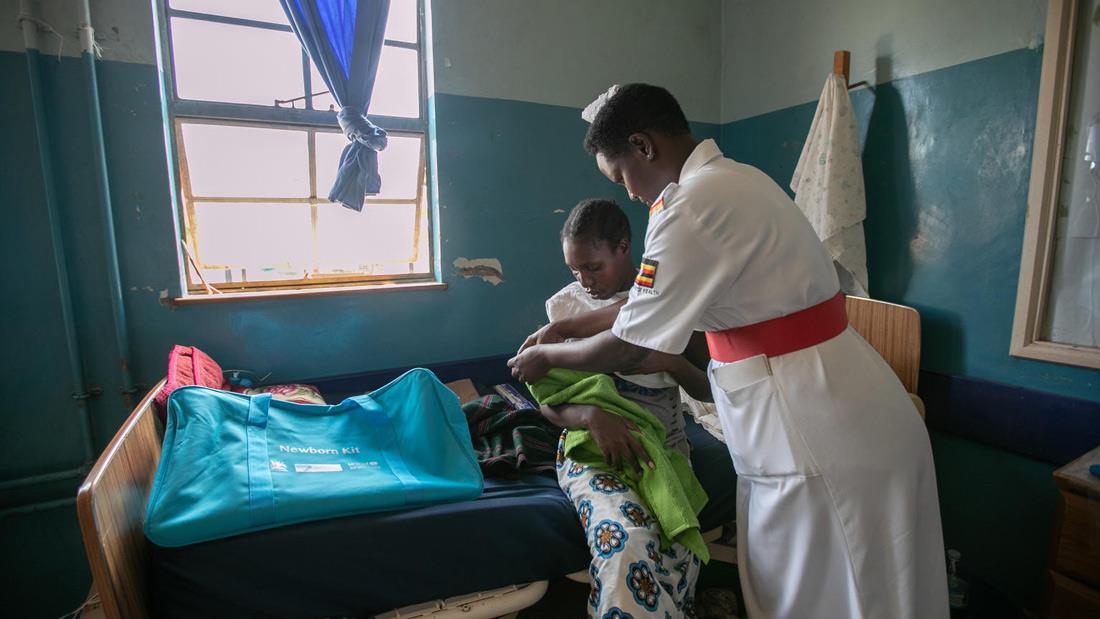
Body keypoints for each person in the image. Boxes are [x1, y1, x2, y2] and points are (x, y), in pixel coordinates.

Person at [509, 83, 950, 619]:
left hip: (816, 422)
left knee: (831, 594)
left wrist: (549, 356)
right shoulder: (736, 180)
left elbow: (629, 344)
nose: (629, 193)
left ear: (643, 146)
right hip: (829, 399)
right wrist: (566, 326)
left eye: (621, 175)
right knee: (855, 588)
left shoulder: (691, 208)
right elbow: (644, 307)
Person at [537, 197, 712, 618]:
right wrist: (592, 416)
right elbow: (548, 401)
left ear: (624, 248)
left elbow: (709, 390)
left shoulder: (671, 305)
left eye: (593, 267)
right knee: (625, 539)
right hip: (590, 446)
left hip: (662, 448)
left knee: (677, 544)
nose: (584, 281)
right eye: (574, 270)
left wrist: (671, 363)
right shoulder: (564, 308)